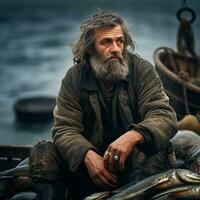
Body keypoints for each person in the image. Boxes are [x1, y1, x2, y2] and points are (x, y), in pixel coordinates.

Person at [29, 10, 177, 200]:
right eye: (106, 42)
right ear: (90, 48)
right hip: (90, 169)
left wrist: (132, 136)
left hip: (135, 167)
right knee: (42, 151)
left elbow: (164, 115)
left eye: (120, 41)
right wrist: (87, 156)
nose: (115, 48)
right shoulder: (74, 77)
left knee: (152, 149)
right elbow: (65, 129)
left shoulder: (142, 71)